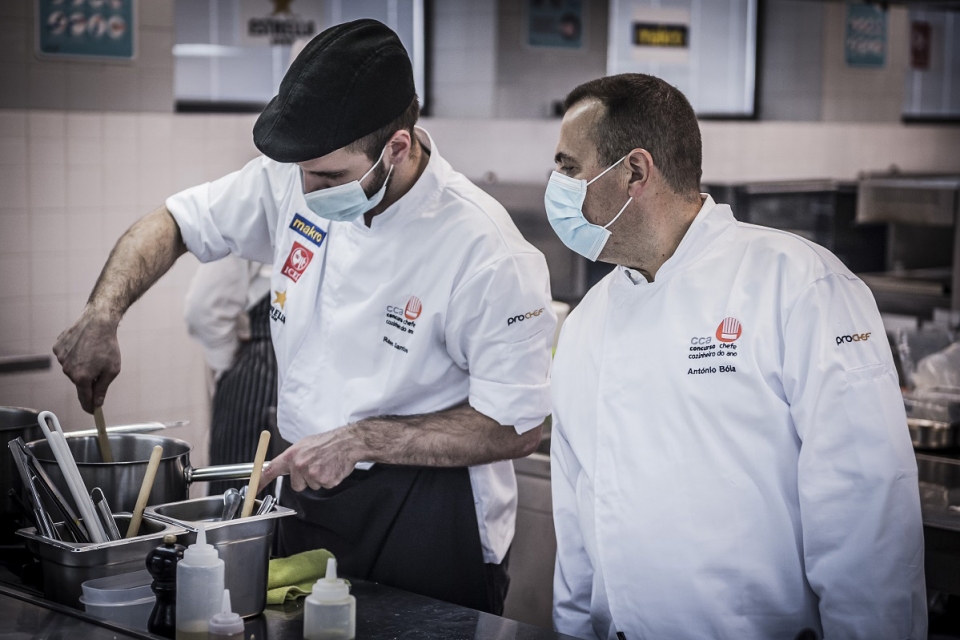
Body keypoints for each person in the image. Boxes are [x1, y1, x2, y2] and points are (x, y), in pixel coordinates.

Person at [53, 20, 556, 615]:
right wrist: (102, 313)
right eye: (302, 174)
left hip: (426, 514)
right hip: (308, 495)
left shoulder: (485, 249)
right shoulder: (294, 178)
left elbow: (520, 426)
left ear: (397, 146)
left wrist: (362, 439)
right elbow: (176, 223)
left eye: (329, 178)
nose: (309, 192)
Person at [545, 74, 925, 639]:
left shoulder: (796, 285)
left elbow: (865, 516)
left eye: (568, 168)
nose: (554, 185)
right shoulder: (586, 324)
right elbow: (576, 524)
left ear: (634, 172)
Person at [184, 257, 280, 495]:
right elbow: (203, 309)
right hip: (257, 385)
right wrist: (229, 362)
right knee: (238, 509)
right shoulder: (258, 220)